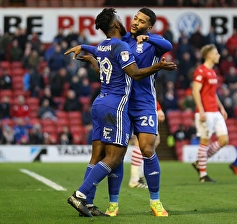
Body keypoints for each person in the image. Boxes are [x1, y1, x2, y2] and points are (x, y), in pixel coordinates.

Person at [64, 8, 176, 218]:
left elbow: (168, 45)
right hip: (122, 104)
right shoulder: (123, 40)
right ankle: (113, 204)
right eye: (135, 18)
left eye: (141, 21)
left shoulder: (153, 42)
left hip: (143, 104)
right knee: (117, 154)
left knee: (147, 149)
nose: (135, 22)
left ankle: (155, 201)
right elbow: (104, 49)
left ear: (149, 26)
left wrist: (148, 39)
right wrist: (85, 47)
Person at [191, 44, 229, 182]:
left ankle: (199, 162)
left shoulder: (213, 72)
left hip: (215, 111)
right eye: (216, 53)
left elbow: (213, 93)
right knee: (205, 141)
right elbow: (195, 91)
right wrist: (200, 110)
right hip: (205, 111)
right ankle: (203, 175)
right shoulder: (200, 71)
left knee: (224, 140)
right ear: (209, 55)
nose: (219, 55)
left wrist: (222, 107)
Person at [128, 101, 165, 188]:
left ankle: (139, 174)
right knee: (142, 141)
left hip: (140, 105)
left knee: (155, 140)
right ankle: (135, 179)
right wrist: (158, 107)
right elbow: (145, 89)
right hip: (140, 105)